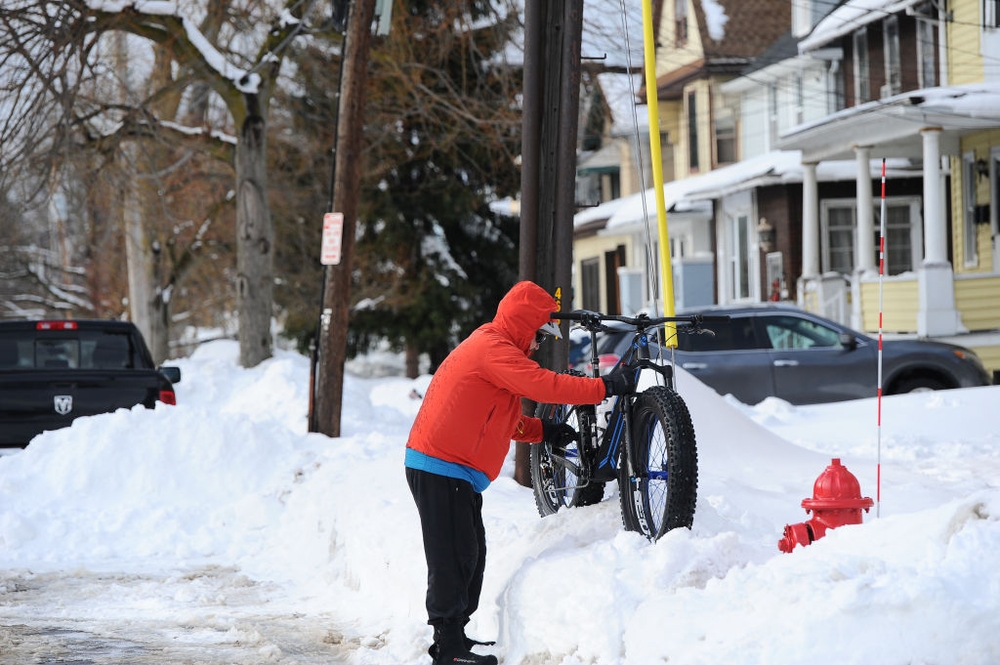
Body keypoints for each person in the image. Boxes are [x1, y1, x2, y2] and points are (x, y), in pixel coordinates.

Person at [404, 280, 637, 665]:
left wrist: (544, 431)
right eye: (539, 335)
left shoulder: (497, 349)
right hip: (440, 465)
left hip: (452, 468)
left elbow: (497, 421)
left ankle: (456, 637)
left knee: (470, 554)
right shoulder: (493, 348)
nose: (539, 344)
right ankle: (447, 649)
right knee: (452, 557)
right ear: (525, 324)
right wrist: (604, 386)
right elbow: (542, 386)